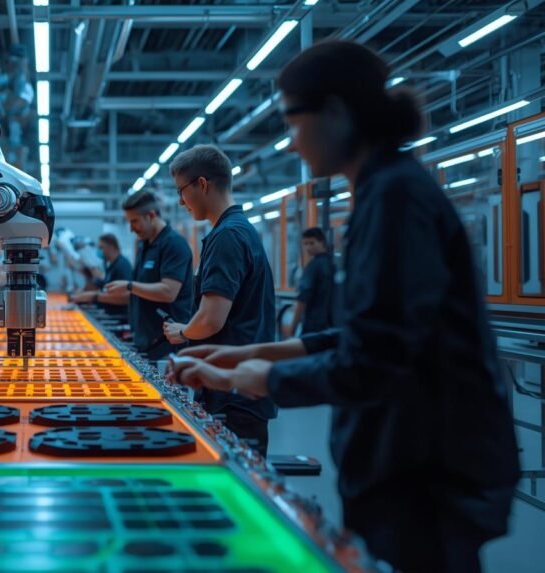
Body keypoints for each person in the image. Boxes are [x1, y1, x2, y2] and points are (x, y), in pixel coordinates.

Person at [169, 41, 519, 573]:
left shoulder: (395, 199)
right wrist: (242, 358)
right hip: (419, 458)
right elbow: (360, 335)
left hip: (431, 466)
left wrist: (253, 377)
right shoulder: (385, 191)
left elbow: (378, 359)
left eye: (292, 121)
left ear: (335, 112)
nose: (290, 143)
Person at [160, 144, 277, 456]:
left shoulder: (227, 236)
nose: (180, 202)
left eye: (180, 191)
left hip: (233, 396)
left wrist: (182, 331)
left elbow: (212, 319)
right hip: (239, 388)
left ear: (201, 184)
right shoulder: (238, 230)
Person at [102, 190, 194, 360]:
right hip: (146, 342)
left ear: (151, 215)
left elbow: (168, 291)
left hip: (167, 346)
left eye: (134, 221)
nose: (131, 229)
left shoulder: (174, 244)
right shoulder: (145, 246)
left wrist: (129, 286)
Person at [283, 227, 334, 336]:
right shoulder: (334, 263)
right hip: (333, 325)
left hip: (314, 327)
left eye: (312, 243)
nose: (308, 247)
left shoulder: (313, 267)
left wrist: (293, 326)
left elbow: (303, 299)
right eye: (305, 244)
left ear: (322, 243)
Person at [71, 233, 133, 320]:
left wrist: (95, 297)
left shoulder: (122, 265)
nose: (99, 251)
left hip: (119, 317)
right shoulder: (111, 266)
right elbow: (105, 289)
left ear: (111, 247)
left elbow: (126, 297)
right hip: (109, 313)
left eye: (101, 248)